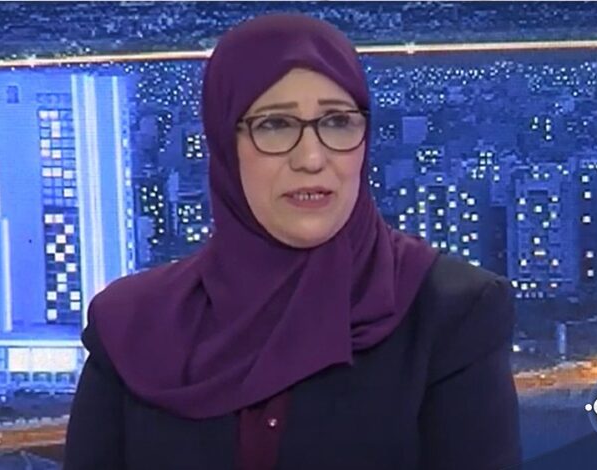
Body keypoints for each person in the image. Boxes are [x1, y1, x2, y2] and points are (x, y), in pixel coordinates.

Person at [64, 12, 522, 470]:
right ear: (224, 143)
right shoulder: (130, 326)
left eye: (337, 121)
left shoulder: (451, 313)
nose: (311, 158)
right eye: (275, 125)